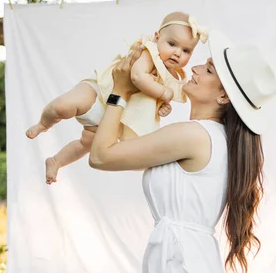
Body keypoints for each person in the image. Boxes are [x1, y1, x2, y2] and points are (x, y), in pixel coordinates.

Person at [89, 30, 276, 273]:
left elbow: (101, 157)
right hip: (188, 264)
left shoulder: (193, 136)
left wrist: (119, 90)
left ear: (224, 96)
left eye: (209, 69)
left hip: (182, 268)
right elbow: (123, 154)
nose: (195, 68)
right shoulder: (214, 139)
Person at [25, 12, 208, 184]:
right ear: (157, 37)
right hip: (99, 95)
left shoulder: (170, 76)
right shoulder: (149, 53)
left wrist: (161, 106)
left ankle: (56, 161)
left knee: (86, 144)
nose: (178, 53)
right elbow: (137, 77)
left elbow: (151, 101)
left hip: (112, 117)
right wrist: (162, 92)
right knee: (62, 107)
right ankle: (43, 123)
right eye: (172, 44)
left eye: (186, 51)